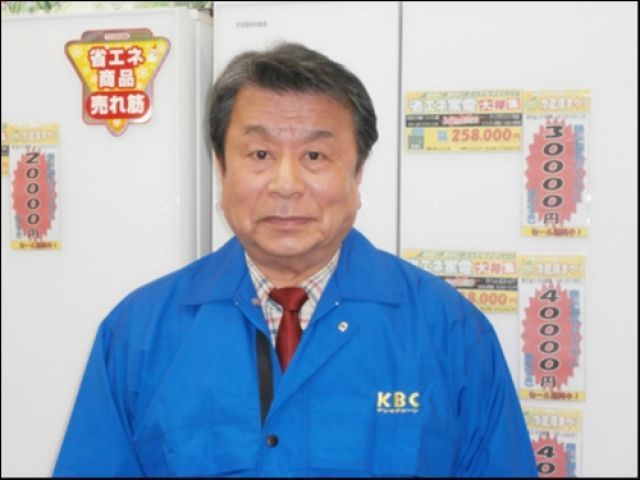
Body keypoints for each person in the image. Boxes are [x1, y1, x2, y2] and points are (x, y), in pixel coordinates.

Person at [54, 42, 537, 477]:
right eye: (260, 154)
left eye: (314, 156)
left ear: (357, 173)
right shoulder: (139, 334)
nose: (285, 184)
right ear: (222, 167)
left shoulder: (448, 331)